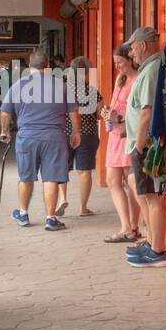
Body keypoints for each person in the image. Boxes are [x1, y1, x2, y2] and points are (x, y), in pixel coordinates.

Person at [0, 47, 81, 231]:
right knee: (51, 178)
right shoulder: (61, 85)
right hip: (55, 138)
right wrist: (76, 133)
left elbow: (5, 112)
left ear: (29, 66)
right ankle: (50, 218)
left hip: (27, 137)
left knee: (26, 177)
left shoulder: (18, 85)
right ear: (48, 66)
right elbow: (74, 113)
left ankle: (23, 213)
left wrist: (5, 131)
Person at [124, 26, 166, 267]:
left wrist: (139, 147)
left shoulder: (152, 70)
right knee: (148, 196)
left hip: (147, 146)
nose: (131, 53)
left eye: (132, 47)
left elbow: (146, 113)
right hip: (145, 144)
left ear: (143, 45)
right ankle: (153, 244)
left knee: (153, 198)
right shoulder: (150, 69)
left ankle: (158, 251)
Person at [101, 43, 142, 243]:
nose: (118, 66)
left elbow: (140, 111)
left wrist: (119, 116)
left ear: (131, 59)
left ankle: (133, 226)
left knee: (130, 182)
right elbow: (116, 105)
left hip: (129, 134)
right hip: (115, 135)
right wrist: (108, 112)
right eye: (115, 63)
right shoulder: (121, 79)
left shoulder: (138, 80)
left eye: (120, 62)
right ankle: (126, 226)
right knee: (112, 180)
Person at [67, 55, 101, 216]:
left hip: (65, 133)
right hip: (87, 134)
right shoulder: (92, 92)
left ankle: (61, 200)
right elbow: (101, 114)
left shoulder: (63, 90)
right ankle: (83, 208)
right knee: (84, 171)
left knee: (61, 168)